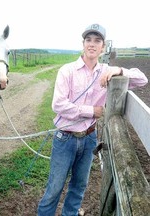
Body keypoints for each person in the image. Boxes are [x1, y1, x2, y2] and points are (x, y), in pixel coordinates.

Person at [37, 23, 148, 216]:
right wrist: (92, 111)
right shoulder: (67, 71)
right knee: (54, 188)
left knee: (79, 187)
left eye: (97, 41)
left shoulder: (106, 70)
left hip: (89, 139)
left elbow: (142, 80)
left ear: (103, 47)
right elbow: (58, 105)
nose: (92, 44)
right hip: (65, 138)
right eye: (88, 40)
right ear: (83, 44)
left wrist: (119, 71)